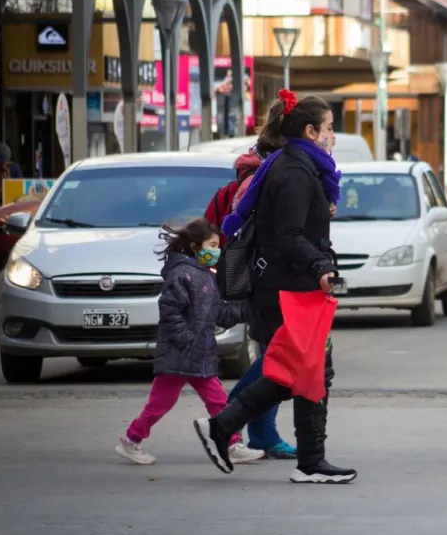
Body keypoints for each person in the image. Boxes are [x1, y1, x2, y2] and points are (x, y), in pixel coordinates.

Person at [194, 91, 356, 484]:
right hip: (287, 288)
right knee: (308, 369)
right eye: (329, 129)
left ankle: (305, 460)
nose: (333, 136)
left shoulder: (299, 167)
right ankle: (232, 429)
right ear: (310, 131)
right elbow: (289, 236)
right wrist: (320, 265)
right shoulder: (295, 172)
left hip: (292, 285)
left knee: (306, 370)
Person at [115, 218, 264, 466]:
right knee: (160, 404)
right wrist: (186, 339)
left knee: (217, 401)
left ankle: (232, 444)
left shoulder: (206, 276)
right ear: (196, 247)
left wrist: (249, 308)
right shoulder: (182, 275)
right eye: (212, 245)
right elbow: (169, 310)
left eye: (218, 246)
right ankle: (131, 441)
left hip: (200, 356)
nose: (216, 251)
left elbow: (221, 314)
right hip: (180, 355)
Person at [218, 112, 298, 460]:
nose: (329, 137)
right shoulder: (275, 171)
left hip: (276, 278)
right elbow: (276, 230)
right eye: (325, 129)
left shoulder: (272, 167)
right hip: (270, 281)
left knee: (274, 356)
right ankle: (230, 417)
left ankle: (261, 432)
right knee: (277, 358)